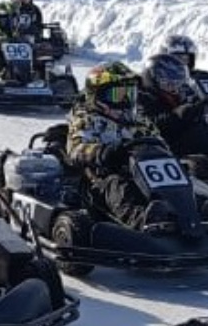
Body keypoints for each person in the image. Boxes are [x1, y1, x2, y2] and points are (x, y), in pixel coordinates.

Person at [65, 61, 176, 234]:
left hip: (144, 172)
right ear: (97, 96)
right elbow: (76, 150)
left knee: (190, 168)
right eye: (118, 95)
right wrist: (104, 153)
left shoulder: (139, 121)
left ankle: (201, 210)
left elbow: (159, 143)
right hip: (100, 180)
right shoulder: (86, 119)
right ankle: (143, 222)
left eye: (129, 94)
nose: (125, 101)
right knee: (118, 185)